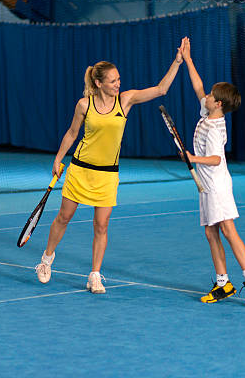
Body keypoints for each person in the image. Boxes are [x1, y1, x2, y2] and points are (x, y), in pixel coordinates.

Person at [35, 40, 185, 294]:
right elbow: (72, 134)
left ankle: (94, 275)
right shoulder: (85, 104)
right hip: (80, 169)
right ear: (99, 83)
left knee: (101, 225)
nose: (118, 84)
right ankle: (46, 260)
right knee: (64, 217)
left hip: (107, 175)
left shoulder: (125, 101)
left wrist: (177, 62)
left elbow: (161, 89)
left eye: (119, 79)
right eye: (113, 81)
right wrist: (58, 158)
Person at [180, 37, 245, 307]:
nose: (205, 96)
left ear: (218, 104)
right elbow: (198, 86)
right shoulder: (209, 112)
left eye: (210, 96)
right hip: (207, 186)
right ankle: (223, 283)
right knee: (211, 232)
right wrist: (188, 59)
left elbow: (216, 159)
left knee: (227, 229)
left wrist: (193, 157)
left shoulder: (216, 129)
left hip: (216, 184)